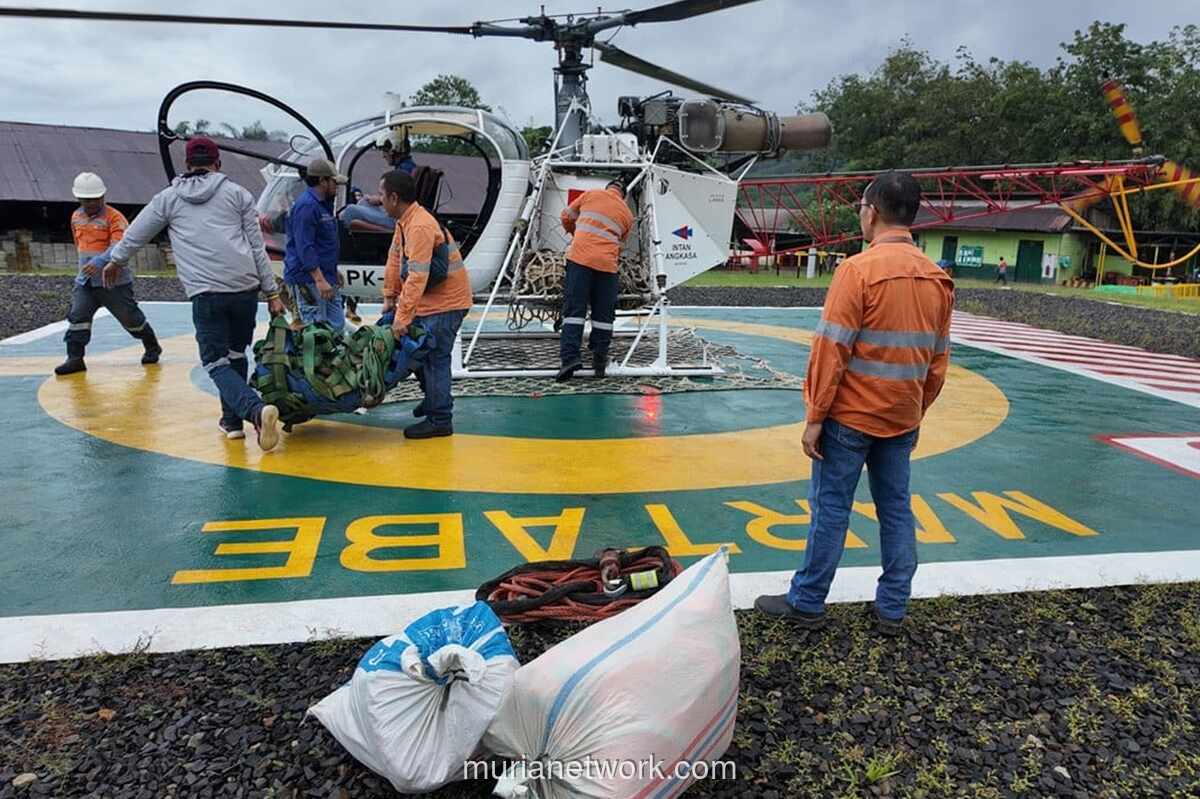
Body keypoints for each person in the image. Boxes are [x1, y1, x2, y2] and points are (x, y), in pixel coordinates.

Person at [754, 170, 955, 636]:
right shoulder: (938, 279)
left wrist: (814, 418)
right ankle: (892, 608)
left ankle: (807, 601)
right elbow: (938, 362)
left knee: (831, 510)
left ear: (872, 212)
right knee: (897, 510)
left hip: (849, 419)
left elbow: (831, 351)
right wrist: (914, 410)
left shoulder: (857, 271)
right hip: (901, 418)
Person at [100, 137, 286, 450]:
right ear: (218, 163)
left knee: (214, 362)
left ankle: (254, 411)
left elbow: (136, 233)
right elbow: (257, 247)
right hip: (244, 289)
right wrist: (272, 292)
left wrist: (115, 261)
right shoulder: (239, 194)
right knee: (236, 354)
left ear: (187, 164)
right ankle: (232, 422)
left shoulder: (168, 199)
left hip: (206, 292)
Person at [379, 169, 472, 439]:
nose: (379, 200)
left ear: (394, 198)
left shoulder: (419, 226)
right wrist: (388, 296)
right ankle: (434, 400)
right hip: (433, 303)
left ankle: (440, 418)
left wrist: (402, 318)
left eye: (382, 195)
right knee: (421, 357)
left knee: (433, 360)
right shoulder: (404, 222)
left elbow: (418, 276)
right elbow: (395, 259)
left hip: (445, 305)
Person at [55, 172, 162, 375]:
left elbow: (120, 244)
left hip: (113, 282)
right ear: (78, 198)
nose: (91, 203)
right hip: (85, 282)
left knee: (130, 319)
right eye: (87, 200)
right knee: (78, 318)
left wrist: (99, 261)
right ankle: (75, 358)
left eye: (95, 199)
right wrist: (85, 268)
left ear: (103, 196)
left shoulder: (115, 217)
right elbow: (80, 245)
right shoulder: (76, 217)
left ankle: (151, 345)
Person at [556, 179, 635, 381]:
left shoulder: (591, 194)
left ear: (607, 188)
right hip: (607, 267)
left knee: (574, 311)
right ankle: (599, 361)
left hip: (580, 259)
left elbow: (566, 216)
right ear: (623, 195)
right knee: (603, 315)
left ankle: (570, 360)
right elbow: (620, 243)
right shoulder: (627, 214)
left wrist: (578, 233)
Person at [283, 157, 347, 330]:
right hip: (308, 279)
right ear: (322, 181)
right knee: (314, 331)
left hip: (326, 276)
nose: (337, 187)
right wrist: (319, 279)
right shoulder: (307, 206)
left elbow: (321, 242)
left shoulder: (322, 205)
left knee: (337, 326)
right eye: (334, 182)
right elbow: (305, 246)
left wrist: (332, 272)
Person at [339, 130, 417, 231]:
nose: (383, 155)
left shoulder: (404, 172)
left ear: (393, 150)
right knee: (364, 202)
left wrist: (379, 199)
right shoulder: (406, 167)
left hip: (395, 219)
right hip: (396, 216)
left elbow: (398, 198)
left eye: (385, 151)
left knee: (350, 210)